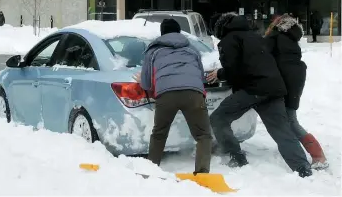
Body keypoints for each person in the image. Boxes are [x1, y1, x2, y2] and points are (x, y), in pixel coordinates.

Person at [206, 12, 312, 177]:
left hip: (253, 89)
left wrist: (220, 73)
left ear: (220, 27)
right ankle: (303, 169)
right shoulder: (256, 37)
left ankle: (236, 156)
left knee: (218, 118)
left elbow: (234, 71)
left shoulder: (228, 41)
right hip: (274, 88)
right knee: (282, 131)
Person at [134, 18, 212, 174]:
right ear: (179, 32)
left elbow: (147, 83)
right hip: (193, 94)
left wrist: (142, 81)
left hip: (166, 96)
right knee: (203, 135)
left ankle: (151, 169)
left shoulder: (154, 50)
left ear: (162, 33)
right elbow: (201, 76)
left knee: (159, 134)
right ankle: (203, 173)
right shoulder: (192, 49)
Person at [264, 14, 328, 169]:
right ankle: (316, 154)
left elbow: (263, 57)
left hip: (283, 78)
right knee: (290, 118)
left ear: (278, 24)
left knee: (290, 121)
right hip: (295, 78)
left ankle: (318, 156)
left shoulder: (276, 37)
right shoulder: (290, 37)